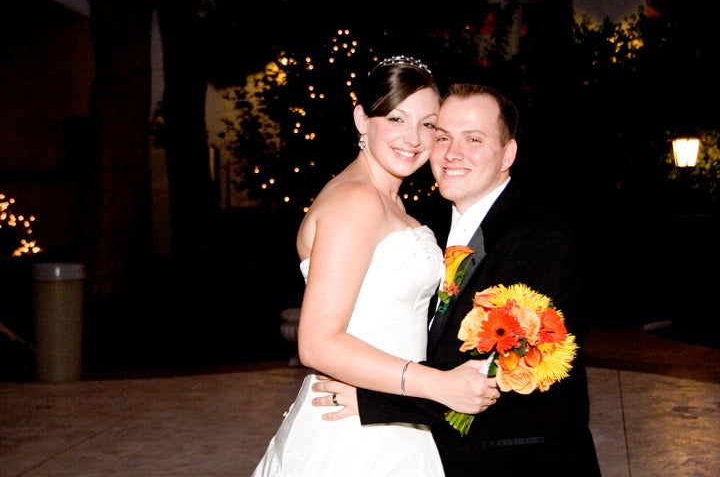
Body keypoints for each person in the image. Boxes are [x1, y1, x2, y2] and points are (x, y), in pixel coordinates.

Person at [313, 83, 601, 476]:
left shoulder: (539, 238)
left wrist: (376, 399)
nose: (452, 153)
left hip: (521, 461)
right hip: (441, 453)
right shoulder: (425, 226)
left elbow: (504, 372)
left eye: (474, 139)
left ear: (508, 154)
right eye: (443, 136)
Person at [251, 59, 499, 476]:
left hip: (389, 413)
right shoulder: (356, 200)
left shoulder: (389, 200)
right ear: (362, 119)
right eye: (397, 118)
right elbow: (317, 343)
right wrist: (437, 385)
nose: (413, 138)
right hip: (352, 439)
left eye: (428, 124)